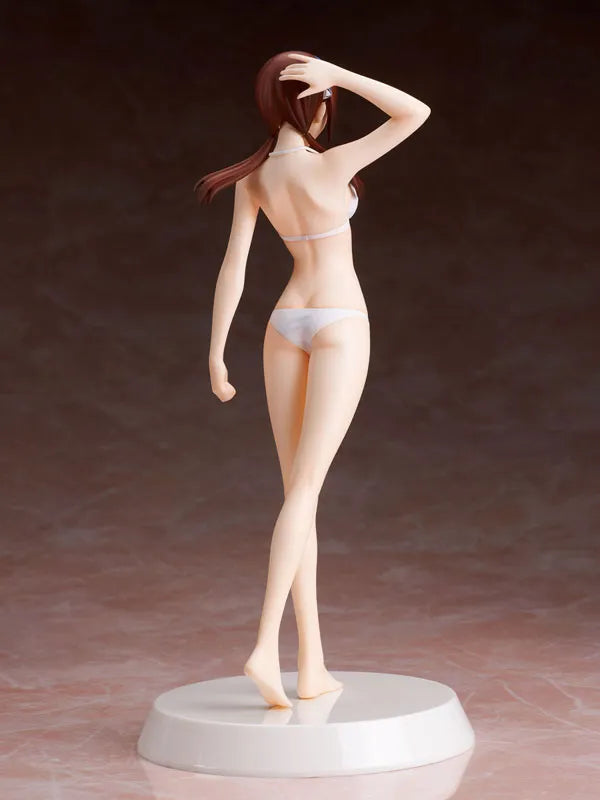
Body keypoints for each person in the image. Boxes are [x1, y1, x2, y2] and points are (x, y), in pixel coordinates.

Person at [195, 51, 431, 708]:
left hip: (284, 324)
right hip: (339, 320)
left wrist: (216, 353)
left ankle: (313, 663)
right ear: (315, 103)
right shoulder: (332, 165)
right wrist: (341, 74)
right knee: (303, 494)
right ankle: (264, 647)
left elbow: (234, 268)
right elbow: (414, 112)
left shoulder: (255, 178)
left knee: (297, 497)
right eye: (326, 98)